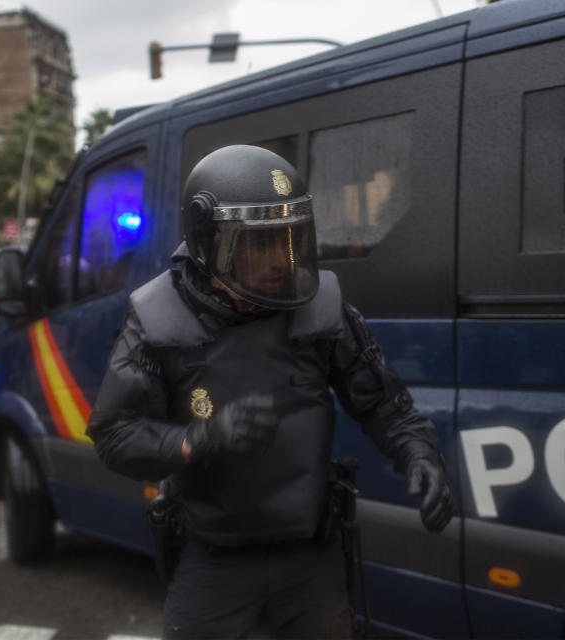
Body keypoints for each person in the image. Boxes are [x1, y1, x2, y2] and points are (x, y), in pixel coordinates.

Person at [86, 145, 455, 639]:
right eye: (260, 245)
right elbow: (114, 435)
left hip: (311, 555)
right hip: (214, 558)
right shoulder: (159, 320)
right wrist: (199, 440)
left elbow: (383, 401)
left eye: (290, 239)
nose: (282, 260)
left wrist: (418, 453)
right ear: (208, 241)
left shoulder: (320, 310)